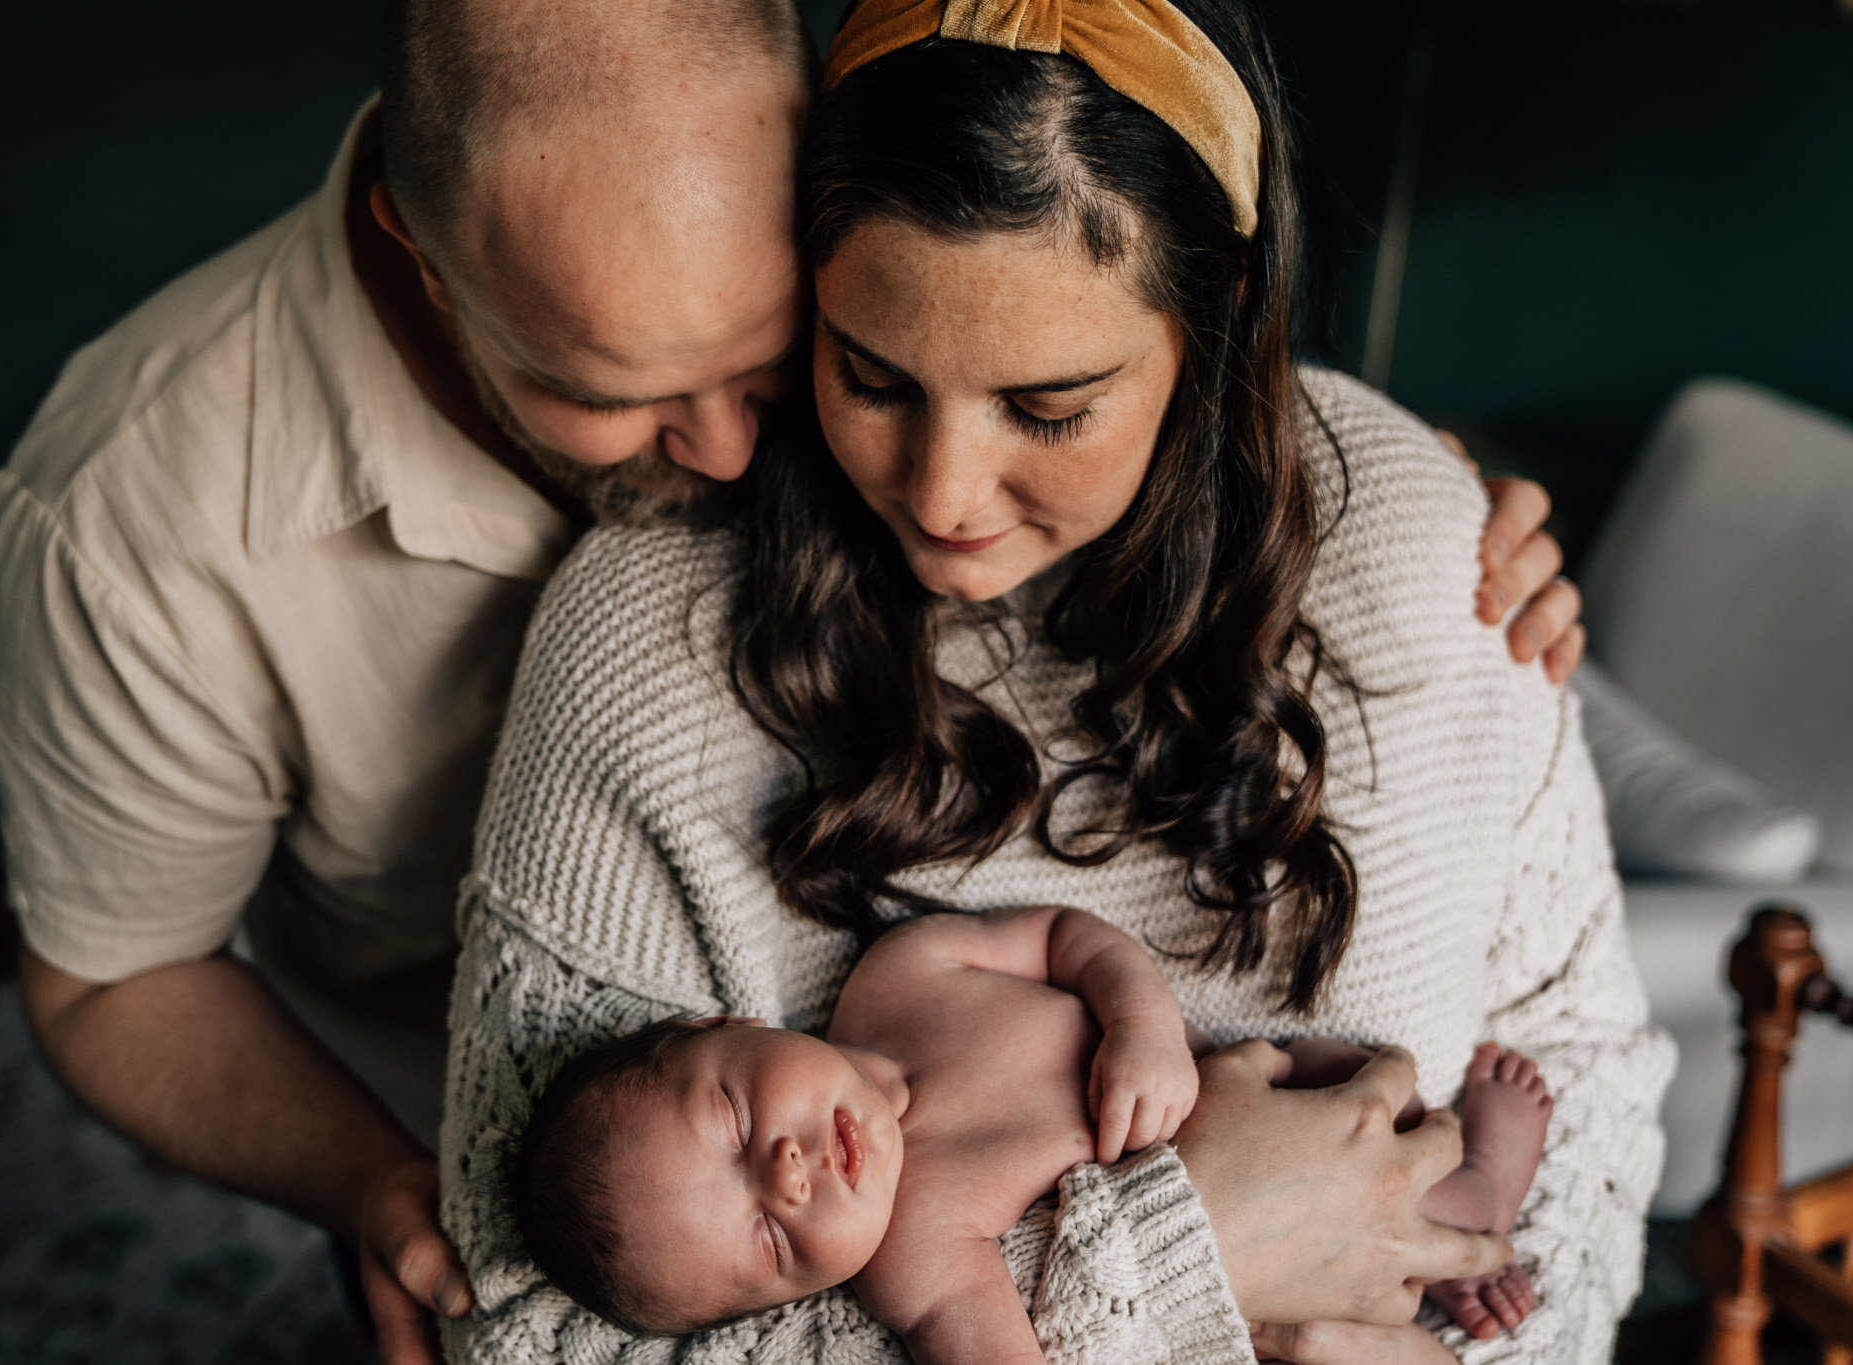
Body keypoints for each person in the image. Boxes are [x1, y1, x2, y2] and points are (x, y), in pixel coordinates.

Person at [0, 0, 1583, 1360]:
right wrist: (394, 1189)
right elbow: (115, 977)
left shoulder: (1189, 477)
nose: (742, 460)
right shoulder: (129, 527)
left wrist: (1381, 502)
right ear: (422, 245)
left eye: (779, 355)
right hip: (539, 1151)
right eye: (617, 392)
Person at [439, 1, 1673, 1362]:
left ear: (1216, 326)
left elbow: (1589, 1088)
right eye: (871, 375)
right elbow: (540, 1331)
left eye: (1049, 408)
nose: (945, 492)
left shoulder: (1422, 541)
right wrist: (1182, 1259)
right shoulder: (642, 655)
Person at [511, 906, 1553, 1352]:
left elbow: (1066, 938)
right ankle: (1483, 1200)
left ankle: (1461, 1221)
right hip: (1265, 1275)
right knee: (1403, 1245)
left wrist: (1138, 1023)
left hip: (1241, 1080)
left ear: (722, 1023)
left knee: (1351, 1072)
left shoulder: (901, 975)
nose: (786, 1178)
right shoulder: (913, 1251)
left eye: (737, 1121)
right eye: (775, 1243)